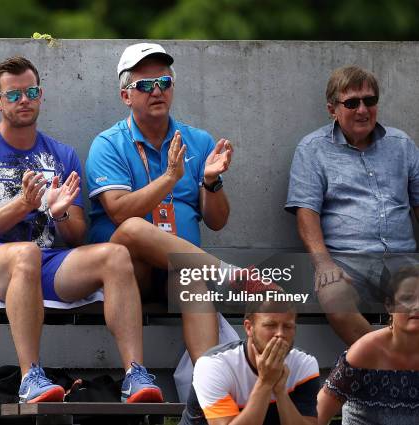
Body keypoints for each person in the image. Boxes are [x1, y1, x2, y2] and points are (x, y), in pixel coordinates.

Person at [0, 56, 162, 404]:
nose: (24, 100)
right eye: (14, 94)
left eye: (31, 92)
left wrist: (60, 215)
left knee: (115, 254)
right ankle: (30, 376)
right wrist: (22, 205)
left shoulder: (61, 154)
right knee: (26, 253)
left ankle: (135, 375)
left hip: (46, 263)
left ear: (41, 94)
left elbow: (77, 236)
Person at [86, 42, 265, 363]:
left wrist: (212, 182)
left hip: (178, 270)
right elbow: (118, 211)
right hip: (129, 273)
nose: (157, 91)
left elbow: (217, 221)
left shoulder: (197, 141)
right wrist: (169, 178)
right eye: (145, 85)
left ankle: (207, 384)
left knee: (189, 273)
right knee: (132, 228)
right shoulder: (108, 144)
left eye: (164, 83)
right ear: (126, 96)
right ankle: (226, 274)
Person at [285, 65, 419, 345]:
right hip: (347, 261)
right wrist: (323, 264)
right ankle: (384, 359)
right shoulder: (312, 149)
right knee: (333, 295)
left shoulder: (401, 145)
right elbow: (306, 213)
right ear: (332, 109)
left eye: (369, 101)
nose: (362, 110)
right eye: (351, 103)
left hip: (404, 260)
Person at [180, 299, 320, 425]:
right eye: (270, 325)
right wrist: (265, 382)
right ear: (249, 327)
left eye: (288, 327)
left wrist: (281, 392)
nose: (280, 334)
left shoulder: (305, 364)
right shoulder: (212, 365)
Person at [317, 265, 419, 425]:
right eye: (407, 298)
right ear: (389, 306)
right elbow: (316, 416)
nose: (417, 306)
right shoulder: (365, 351)